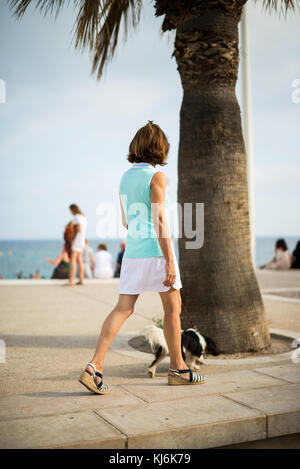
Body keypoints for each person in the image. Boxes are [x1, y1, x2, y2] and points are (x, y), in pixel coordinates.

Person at [79, 121, 206, 395]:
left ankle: (95, 365)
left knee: (123, 308)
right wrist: (170, 261)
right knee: (173, 309)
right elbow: (160, 219)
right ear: (159, 149)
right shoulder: (156, 177)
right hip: (156, 252)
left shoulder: (125, 178)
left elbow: (126, 221)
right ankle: (178, 369)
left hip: (133, 254)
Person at [67, 204, 87, 286]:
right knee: (79, 260)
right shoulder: (84, 217)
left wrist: (72, 239)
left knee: (72, 260)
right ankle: (81, 280)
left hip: (77, 240)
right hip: (82, 240)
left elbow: (78, 228)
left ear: (73, 209)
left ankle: (71, 280)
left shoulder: (76, 217)